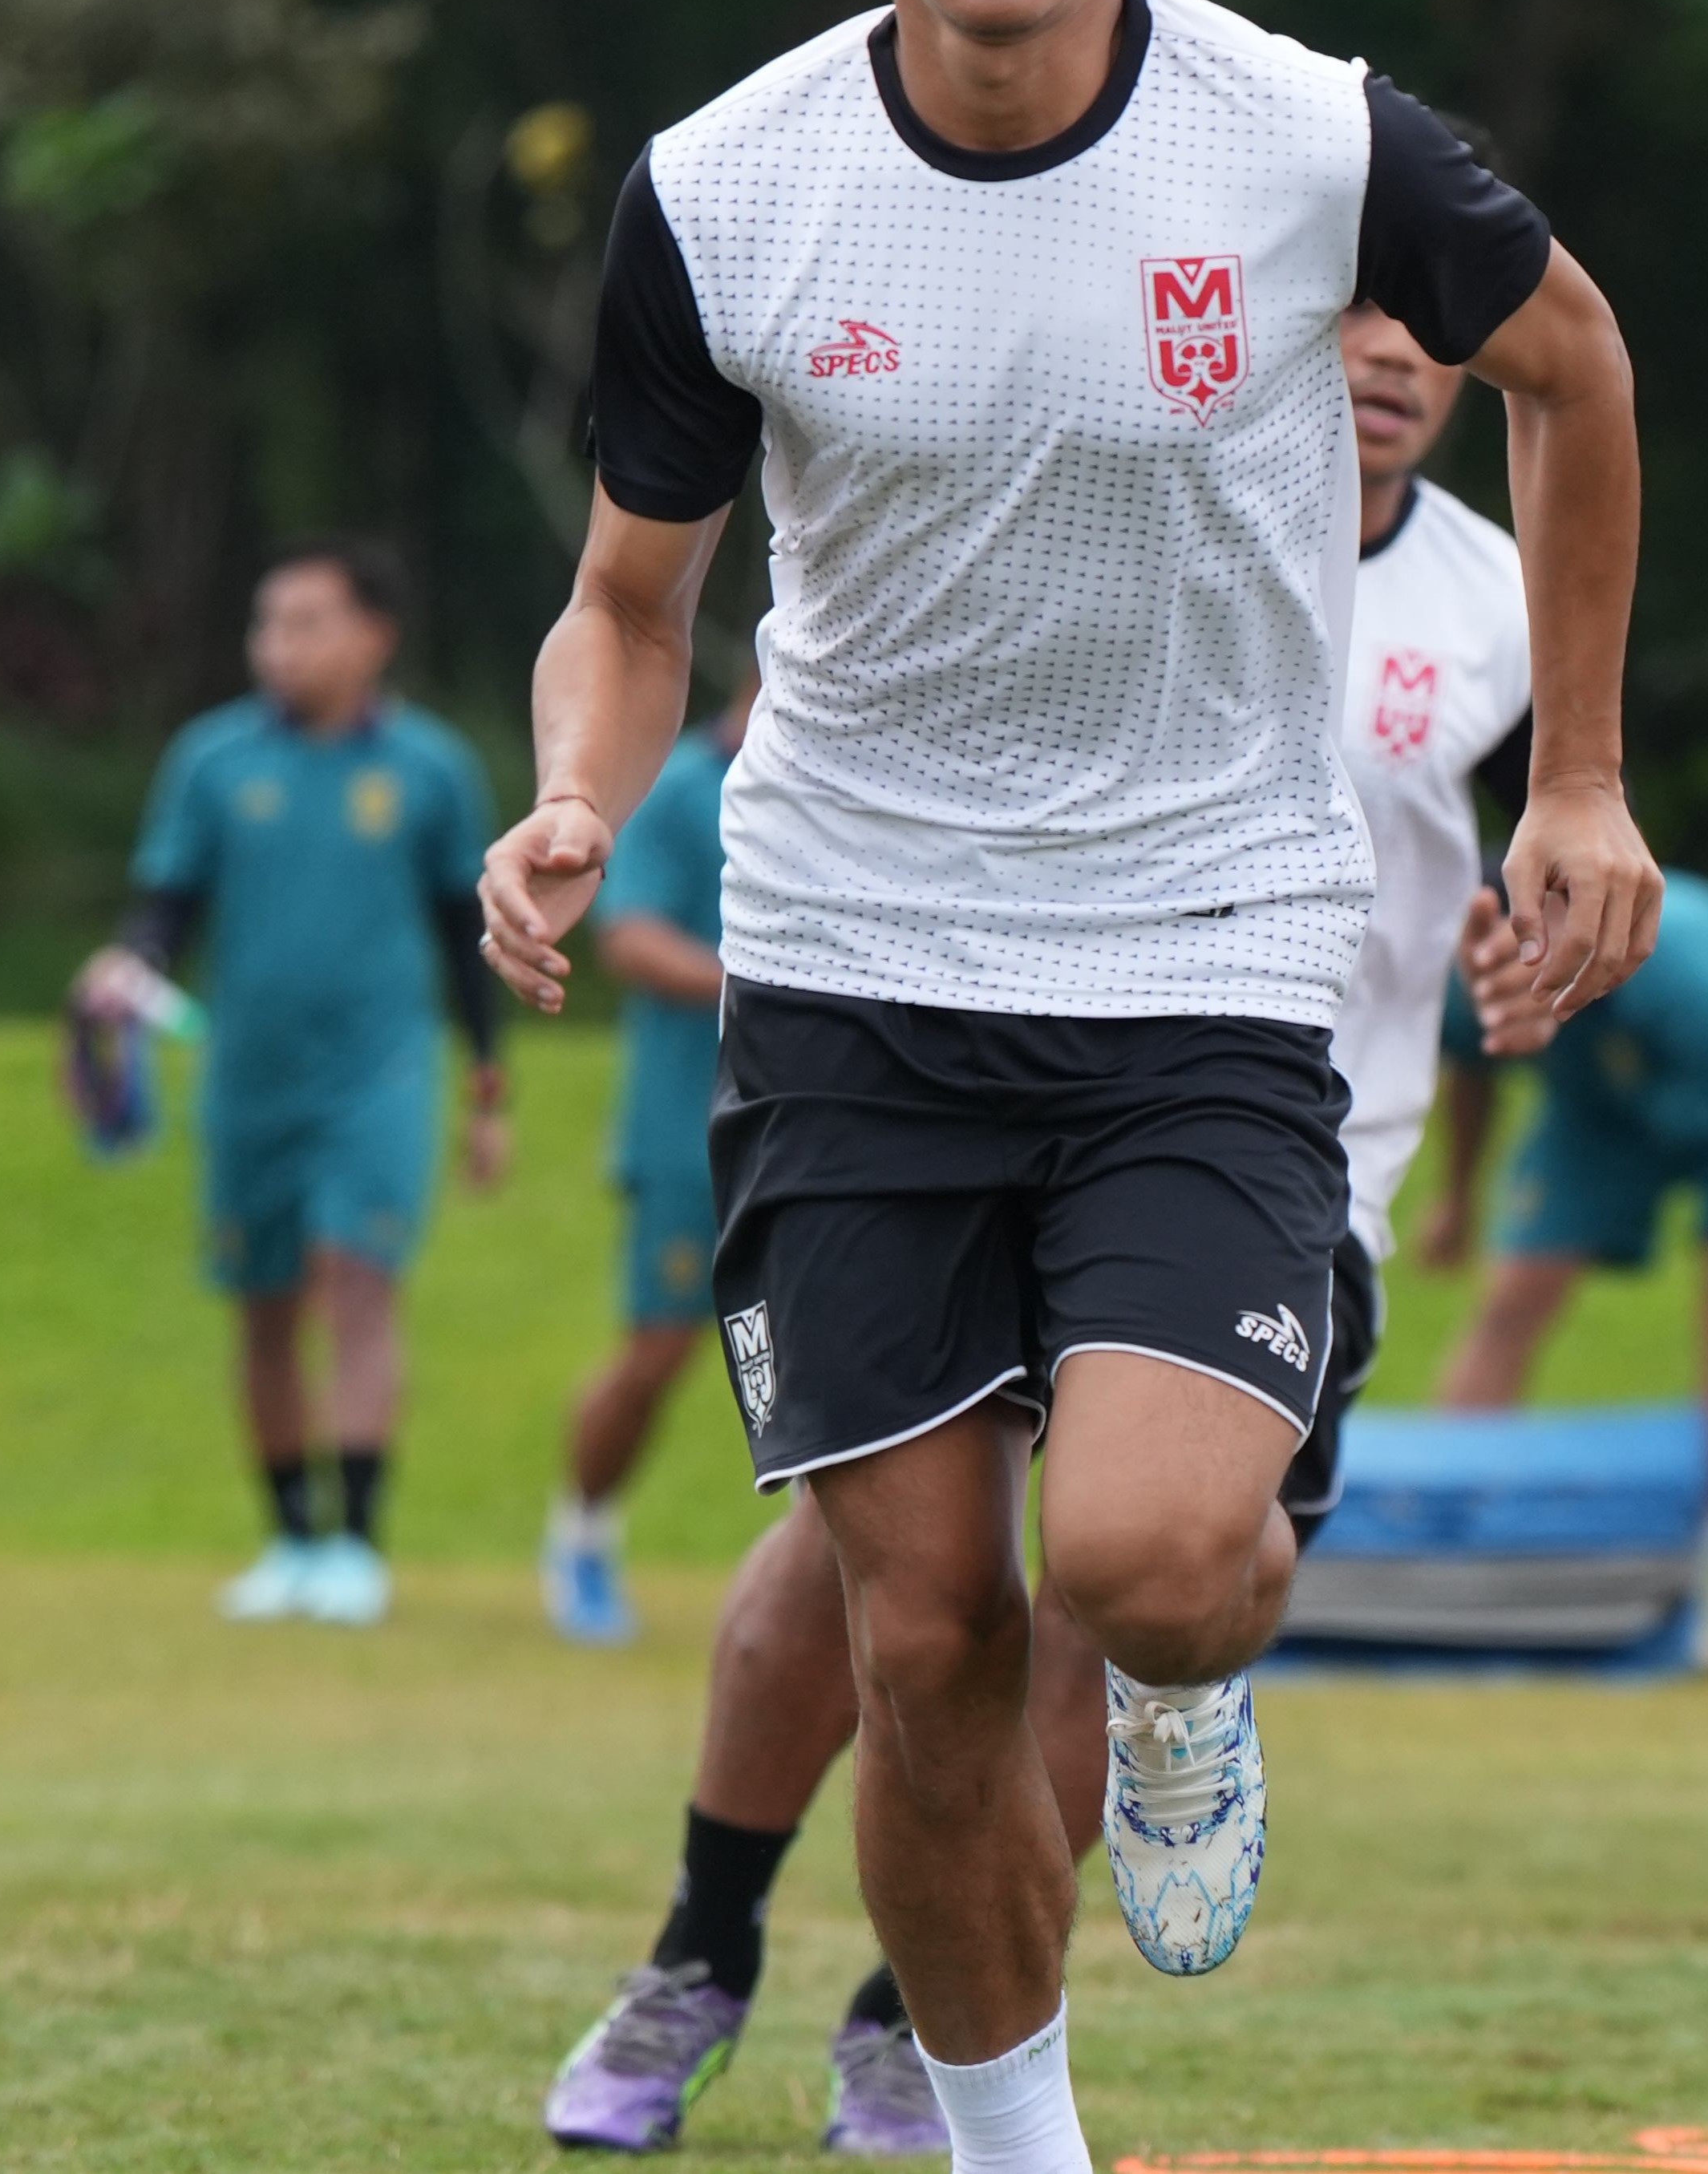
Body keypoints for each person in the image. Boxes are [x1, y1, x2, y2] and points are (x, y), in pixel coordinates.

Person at [474, 0, 1659, 2174]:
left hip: (1203, 964)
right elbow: (628, 604)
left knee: (1141, 1557)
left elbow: (1568, 361)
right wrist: (571, 792)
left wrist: (1575, 779)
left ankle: (1185, 1681)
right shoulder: (722, 190)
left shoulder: (1307, 137)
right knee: (911, 1629)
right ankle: (1016, 2147)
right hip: (848, 972)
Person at [536, 298, 1552, 2154]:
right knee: (875, 1581)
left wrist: (1530, 917)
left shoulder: (1497, 595)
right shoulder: (1129, 483)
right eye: (1357, 310)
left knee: (1122, 1586)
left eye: (1430, 325)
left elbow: (1510, 829)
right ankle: (700, 1947)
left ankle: (909, 2019)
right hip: (981, 1077)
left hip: (1285, 1144)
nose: (1394, 355)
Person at [81, 540, 508, 1629]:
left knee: (357, 1279)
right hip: (249, 1077)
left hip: (379, 1071)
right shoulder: (212, 761)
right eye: (267, 623)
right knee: (265, 1304)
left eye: (307, 622)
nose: (278, 645)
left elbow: (464, 938)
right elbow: (166, 909)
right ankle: (289, 1540)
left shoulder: (429, 770)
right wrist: (126, 968)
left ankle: (356, 1543)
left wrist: (487, 1088)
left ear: (374, 636)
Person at [1421, 868, 1708, 1660]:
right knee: (1511, 1301)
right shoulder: (1475, 963)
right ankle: (1448, 1556)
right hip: (1595, 1105)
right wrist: (1457, 1196)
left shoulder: (1688, 983)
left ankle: (1688, 1583)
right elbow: (1473, 1065)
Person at [542, 662, 755, 1649]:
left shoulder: (849, 788)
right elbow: (628, 937)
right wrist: (765, 984)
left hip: (816, 1127)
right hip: (686, 1126)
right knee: (659, 1351)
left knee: (837, 1358)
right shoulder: (681, 790)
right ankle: (582, 1531)